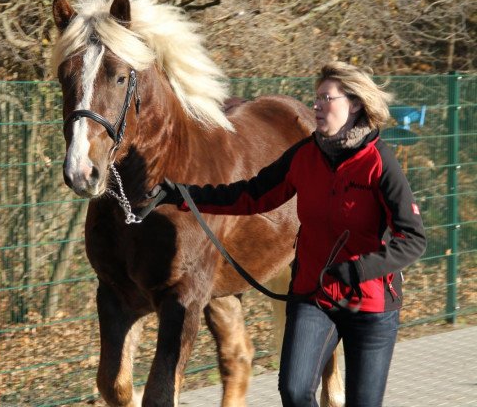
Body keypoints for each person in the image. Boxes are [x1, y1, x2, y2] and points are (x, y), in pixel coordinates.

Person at [149, 61, 426, 407]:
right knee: (294, 391)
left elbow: (413, 239)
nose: (317, 106)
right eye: (316, 98)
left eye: (327, 98)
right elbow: (250, 195)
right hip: (314, 295)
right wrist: (184, 194)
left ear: (354, 104)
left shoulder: (379, 163)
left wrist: (359, 270)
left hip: (369, 304)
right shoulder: (305, 154)